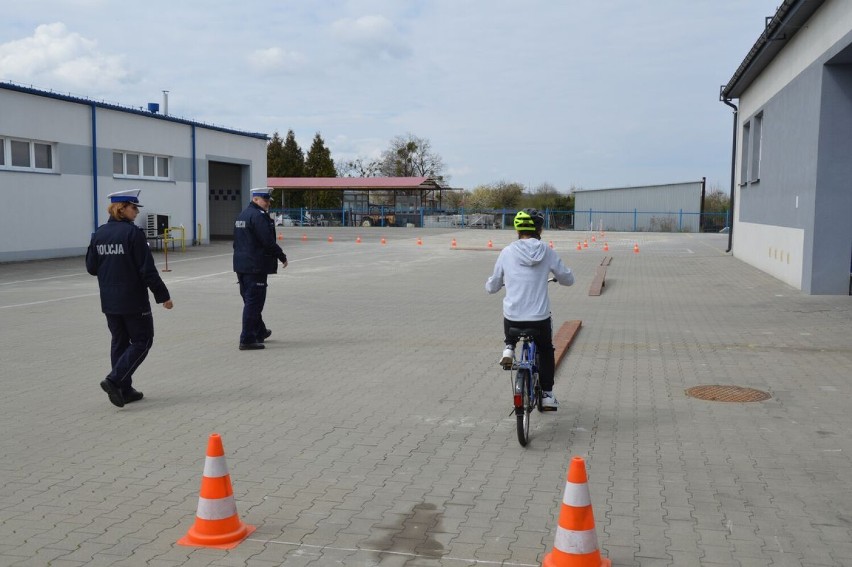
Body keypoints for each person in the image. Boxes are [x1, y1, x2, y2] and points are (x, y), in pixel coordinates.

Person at [85, 189, 174, 408]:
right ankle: (114, 380)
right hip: (133, 300)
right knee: (143, 341)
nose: (136, 212)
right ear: (121, 208)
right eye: (133, 207)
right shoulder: (132, 234)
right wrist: (163, 296)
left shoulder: (99, 233)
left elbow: (91, 267)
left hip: (109, 300)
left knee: (120, 342)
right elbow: (147, 270)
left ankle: (124, 389)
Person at [485, 208, 574, 410]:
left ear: (517, 229)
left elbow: (494, 285)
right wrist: (564, 278)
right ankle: (548, 395)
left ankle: (509, 347)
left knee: (510, 312)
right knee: (546, 350)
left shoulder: (507, 252)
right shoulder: (547, 251)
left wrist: (491, 285)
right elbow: (567, 279)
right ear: (540, 229)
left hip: (513, 319)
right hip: (539, 319)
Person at [233, 187, 288, 350]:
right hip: (255, 266)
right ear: (255, 199)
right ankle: (247, 338)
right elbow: (267, 241)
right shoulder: (258, 217)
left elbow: (236, 241)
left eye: (269, 200)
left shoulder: (242, 215)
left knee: (250, 300)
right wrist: (281, 255)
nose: (268, 203)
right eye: (265, 200)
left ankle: (259, 330)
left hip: (241, 265)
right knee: (254, 303)